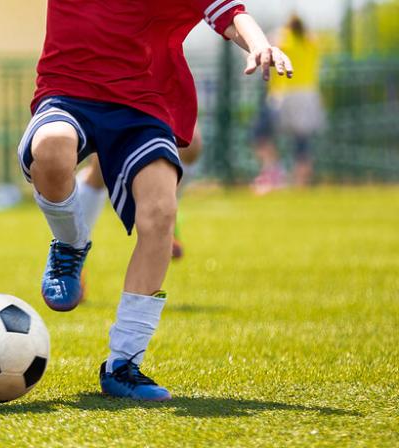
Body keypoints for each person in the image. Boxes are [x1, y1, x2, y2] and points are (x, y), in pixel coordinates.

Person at [18, 0, 292, 400]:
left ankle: (123, 364)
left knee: (161, 212)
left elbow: (229, 14)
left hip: (141, 107)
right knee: (51, 147)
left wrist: (259, 43)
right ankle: (70, 244)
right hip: (67, 95)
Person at [77, 124, 204, 267]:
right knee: (101, 168)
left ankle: (165, 213)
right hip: (116, 106)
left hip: (159, 102)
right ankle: (74, 252)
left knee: (190, 144)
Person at [252, 14, 323, 194]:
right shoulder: (311, 43)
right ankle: (300, 184)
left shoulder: (282, 41)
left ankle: (273, 172)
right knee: (302, 143)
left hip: (283, 96)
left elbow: (259, 48)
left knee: (260, 134)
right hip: (308, 97)